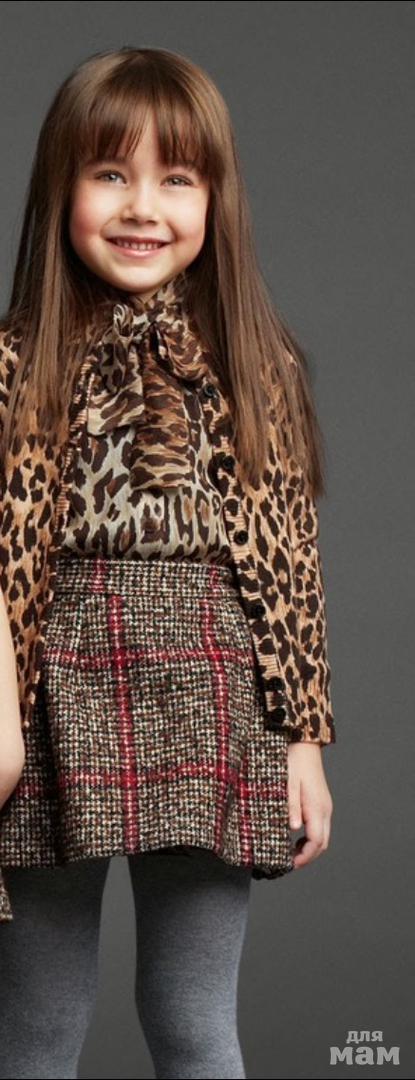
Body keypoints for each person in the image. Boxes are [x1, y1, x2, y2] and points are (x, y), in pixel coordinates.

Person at [0, 46, 336, 1080]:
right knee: (36, 1023)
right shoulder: (13, 365)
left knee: (192, 1016)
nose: (142, 206)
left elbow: (287, 563)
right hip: (51, 700)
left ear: (214, 200)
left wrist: (303, 740)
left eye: (176, 178)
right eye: (110, 173)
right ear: (60, 187)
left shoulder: (256, 365)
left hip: (212, 698)